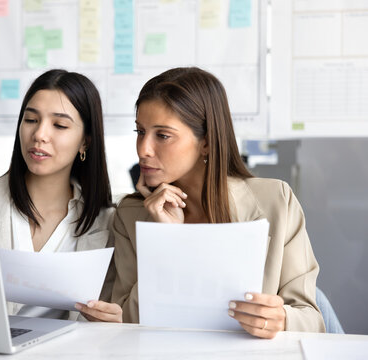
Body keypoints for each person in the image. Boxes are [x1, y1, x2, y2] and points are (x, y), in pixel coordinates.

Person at [110, 67, 325, 338]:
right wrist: (166, 240)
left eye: (162, 135)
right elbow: (123, 323)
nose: (143, 149)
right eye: (140, 132)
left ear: (207, 143)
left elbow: (312, 319)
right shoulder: (131, 215)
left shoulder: (276, 202)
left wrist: (280, 319)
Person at [0, 69, 122, 323]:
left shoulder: (108, 223)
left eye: (59, 125)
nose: (39, 135)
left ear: (85, 142)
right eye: (31, 120)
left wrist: (110, 325)